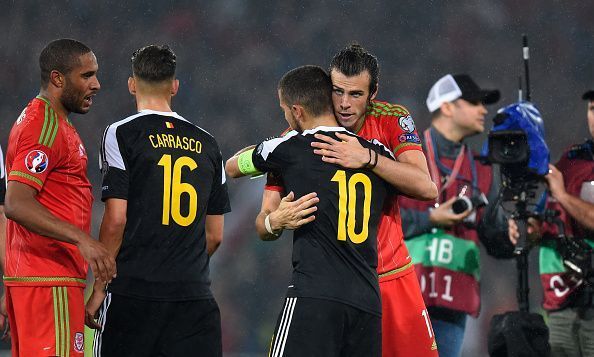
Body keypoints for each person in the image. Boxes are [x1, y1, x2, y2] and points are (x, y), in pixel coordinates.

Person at [253, 44, 439, 357]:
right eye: (337, 91)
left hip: (392, 277)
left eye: (355, 95)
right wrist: (275, 221)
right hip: (338, 285)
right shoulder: (299, 135)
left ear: (373, 93)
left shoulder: (392, 120)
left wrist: (368, 158)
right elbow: (263, 221)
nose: (344, 104)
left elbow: (427, 188)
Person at [226, 65, 395, 357]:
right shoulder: (378, 154)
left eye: (284, 111)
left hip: (315, 293)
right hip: (367, 300)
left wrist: (273, 216)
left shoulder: (289, 148)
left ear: (296, 111)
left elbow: (232, 167)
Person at [86, 44, 231, 356]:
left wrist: (99, 287)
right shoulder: (208, 143)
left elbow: (116, 219)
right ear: (175, 87)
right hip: (193, 300)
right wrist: (177, 264)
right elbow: (216, 234)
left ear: (132, 84)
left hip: (134, 294)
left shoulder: (120, 133)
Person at [3, 38, 115, 357]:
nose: (96, 84)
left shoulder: (51, 122)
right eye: (87, 75)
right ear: (57, 79)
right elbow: (16, 202)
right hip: (49, 280)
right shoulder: (44, 125)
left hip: (36, 279)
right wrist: (84, 240)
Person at [399, 74, 513, 357]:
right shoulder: (404, 158)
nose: (483, 110)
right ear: (447, 107)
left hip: (453, 304)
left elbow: (496, 241)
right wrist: (431, 219)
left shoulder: (483, 170)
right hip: (404, 297)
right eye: (474, 102)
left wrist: (511, 236)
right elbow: (377, 221)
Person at [509, 90, 594, 357]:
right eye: (592, 108)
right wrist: (531, 229)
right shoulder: (571, 160)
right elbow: (553, 217)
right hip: (560, 300)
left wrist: (562, 195)